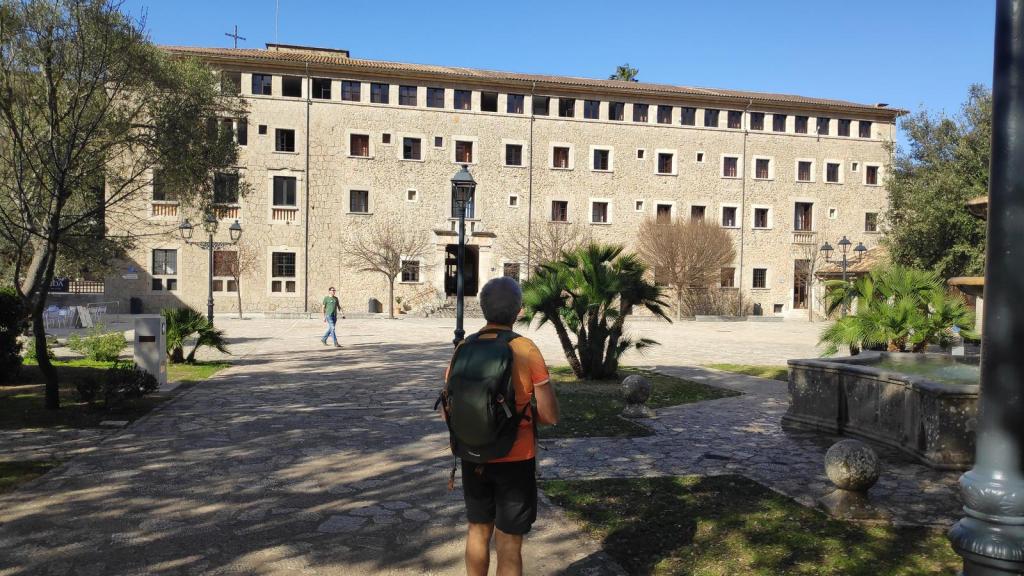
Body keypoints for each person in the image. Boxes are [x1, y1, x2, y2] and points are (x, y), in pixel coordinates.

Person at [446, 277, 560, 576]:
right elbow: (549, 415)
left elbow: (449, 405)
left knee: (477, 529)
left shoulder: (463, 347)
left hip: (473, 453)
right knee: (509, 541)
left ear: (482, 308)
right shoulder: (525, 348)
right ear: (519, 311)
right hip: (516, 457)